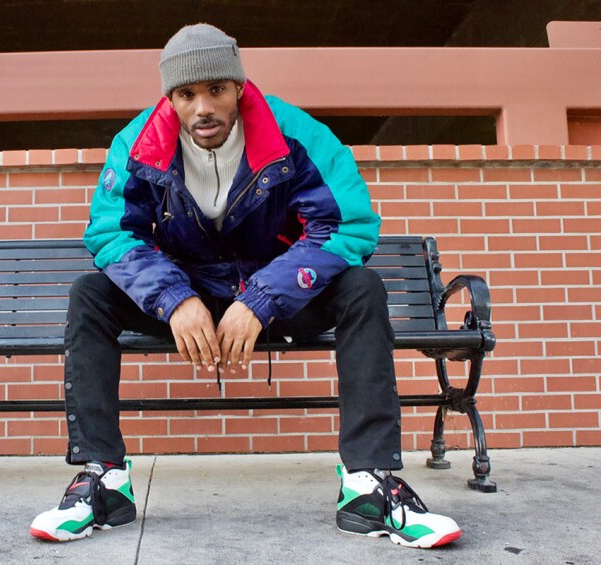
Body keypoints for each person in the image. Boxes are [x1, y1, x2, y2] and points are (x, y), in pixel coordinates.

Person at [30, 23, 461, 549]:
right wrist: (175, 300)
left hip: (275, 297)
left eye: (215, 90)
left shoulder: (295, 135)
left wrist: (260, 298)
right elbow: (112, 232)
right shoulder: (139, 145)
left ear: (238, 86)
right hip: (188, 301)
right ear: (171, 98)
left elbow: (347, 224)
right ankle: (104, 479)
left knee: (362, 289)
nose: (202, 108)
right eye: (187, 95)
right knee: (89, 295)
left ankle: (369, 482)